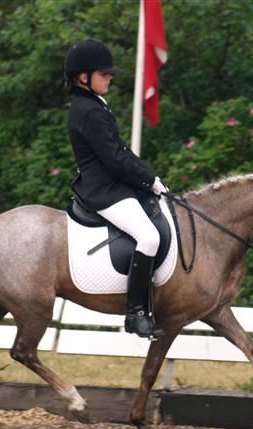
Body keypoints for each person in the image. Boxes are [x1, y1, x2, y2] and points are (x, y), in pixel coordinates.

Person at [64, 39, 167, 339]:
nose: (110, 77)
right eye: (104, 73)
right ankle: (136, 314)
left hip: (111, 184)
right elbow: (115, 158)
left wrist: (149, 177)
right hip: (104, 191)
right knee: (148, 237)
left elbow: (120, 151)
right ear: (84, 77)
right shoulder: (89, 111)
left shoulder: (92, 105)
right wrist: (150, 181)